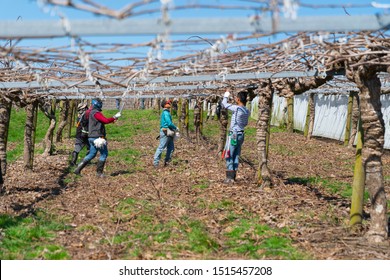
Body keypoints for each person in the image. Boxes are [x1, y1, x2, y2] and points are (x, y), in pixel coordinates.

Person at [74, 98, 121, 177]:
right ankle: (99, 173)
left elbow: (101, 121)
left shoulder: (91, 113)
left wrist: (113, 119)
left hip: (91, 137)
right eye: (100, 103)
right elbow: (105, 120)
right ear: (97, 104)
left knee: (92, 154)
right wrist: (114, 117)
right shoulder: (96, 113)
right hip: (98, 137)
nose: (101, 104)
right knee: (104, 154)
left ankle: (78, 169)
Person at [222, 90, 249, 183]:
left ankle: (229, 177)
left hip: (233, 134)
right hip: (241, 134)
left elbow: (224, 104)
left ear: (238, 99)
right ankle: (233, 176)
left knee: (229, 154)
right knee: (236, 154)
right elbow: (245, 123)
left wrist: (226, 95)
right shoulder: (246, 110)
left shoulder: (237, 108)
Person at [153, 99, 178, 168]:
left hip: (168, 132)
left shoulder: (166, 113)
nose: (169, 104)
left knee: (171, 148)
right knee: (161, 147)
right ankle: (156, 163)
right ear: (165, 105)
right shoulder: (166, 113)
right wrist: (175, 128)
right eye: (168, 103)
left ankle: (167, 162)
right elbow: (169, 123)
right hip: (166, 131)